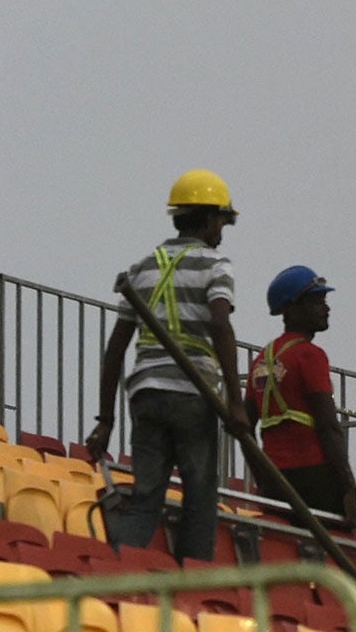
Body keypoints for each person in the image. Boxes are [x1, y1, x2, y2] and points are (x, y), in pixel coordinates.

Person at [86, 168, 248, 562]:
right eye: (222, 221)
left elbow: (115, 349)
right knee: (199, 497)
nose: (222, 231)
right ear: (210, 219)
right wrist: (236, 402)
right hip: (193, 395)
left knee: (145, 497)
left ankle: (118, 572)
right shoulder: (216, 265)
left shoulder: (142, 268)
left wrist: (105, 419)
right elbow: (221, 325)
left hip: (145, 394)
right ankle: (193, 585)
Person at [246, 266, 356, 530]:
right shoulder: (310, 355)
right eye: (316, 302)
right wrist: (348, 488)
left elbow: (244, 425)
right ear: (291, 309)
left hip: (276, 480)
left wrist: (262, 478)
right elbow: (328, 426)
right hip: (314, 476)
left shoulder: (262, 359)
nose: (326, 308)